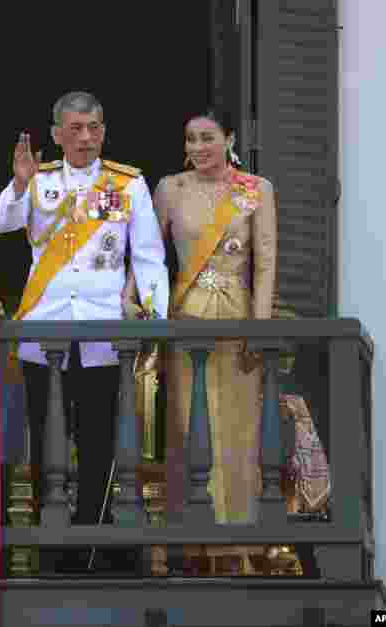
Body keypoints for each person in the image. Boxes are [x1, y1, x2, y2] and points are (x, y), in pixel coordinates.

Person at [0, 91, 169, 571]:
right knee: (46, 438)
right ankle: (51, 545)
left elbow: (149, 257)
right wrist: (20, 183)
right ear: (56, 134)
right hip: (43, 330)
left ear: (103, 129)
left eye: (93, 127)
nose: (85, 137)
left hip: (101, 333)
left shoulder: (128, 184)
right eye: (74, 128)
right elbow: (0, 223)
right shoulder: (40, 181)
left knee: (97, 441)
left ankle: (91, 544)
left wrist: (150, 316)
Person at [152, 109, 277, 526]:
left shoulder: (256, 189)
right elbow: (150, 257)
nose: (198, 147)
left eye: (207, 137)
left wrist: (259, 328)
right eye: (191, 139)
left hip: (237, 318)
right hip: (186, 316)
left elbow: (265, 265)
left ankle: (238, 538)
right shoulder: (171, 188)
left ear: (230, 139)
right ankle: (189, 539)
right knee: (188, 425)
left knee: (237, 430)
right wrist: (139, 300)